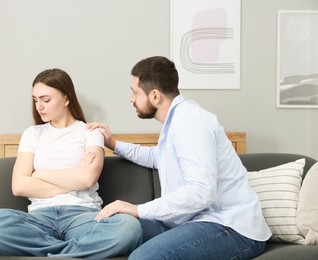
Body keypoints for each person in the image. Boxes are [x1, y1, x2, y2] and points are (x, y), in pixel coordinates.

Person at [88, 56, 272, 259]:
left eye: (135, 92)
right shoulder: (176, 120)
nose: (131, 99)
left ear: (155, 96)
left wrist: (138, 209)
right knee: (117, 226)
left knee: (143, 258)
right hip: (194, 222)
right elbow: (156, 157)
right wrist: (113, 143)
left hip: (232, 226)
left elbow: (202, 192)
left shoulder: (189, 123)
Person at [0, 68, 142, 259]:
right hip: (39, 218)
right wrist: (75, 175)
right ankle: (70, 254)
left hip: (83, 216)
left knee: (129, 228)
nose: (39, 106)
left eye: (46, 100)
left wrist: (38, 175)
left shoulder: (90, 132)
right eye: (36, 100)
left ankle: (53, 255)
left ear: (66, 98)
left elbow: (87, 179)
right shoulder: (32, 134)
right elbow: (19, 186)